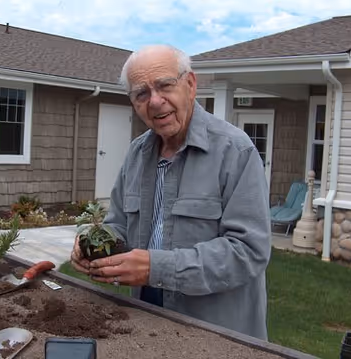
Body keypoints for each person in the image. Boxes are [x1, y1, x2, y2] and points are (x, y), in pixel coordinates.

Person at [70, 44, 271, 340]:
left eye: (165, 86)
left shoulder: (235, 151)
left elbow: (248, 252)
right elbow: (118, 225)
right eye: (141, 94)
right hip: (144, 320)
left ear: (190, 84)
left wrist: (156, 268)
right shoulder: (137, 154)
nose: (155, 101)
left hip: (213, 334)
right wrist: (94, 246)